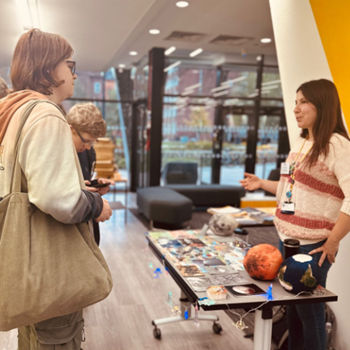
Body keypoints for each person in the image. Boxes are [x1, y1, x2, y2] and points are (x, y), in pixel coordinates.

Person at [0, 28, 112, 349]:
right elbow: (56, 198)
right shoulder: (45, 114)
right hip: (51, 267)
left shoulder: (13, 111)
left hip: (24, 260)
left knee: (32, 336)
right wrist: (96, 205)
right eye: (69, 64)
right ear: (49, 68)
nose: (74, 74)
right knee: (57, 337)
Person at [240, 78, 350, 350]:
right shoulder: (302, 143)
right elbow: (291, 189)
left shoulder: (337, 145)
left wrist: (333, 241)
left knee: (310, 312)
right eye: (295, 103)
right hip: (286, 237)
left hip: (314, 246)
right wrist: (261, 184)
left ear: (322, 105)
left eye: (304, 102)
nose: (296, 109)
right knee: (291, 308)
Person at [65, 102, 115, 244]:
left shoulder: (87, 151)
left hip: (87, 223)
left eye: (92, 142)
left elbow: (82, 180)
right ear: (70, 129)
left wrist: (95, 186)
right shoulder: (59, 154)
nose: (87, 147)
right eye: (86, 141)